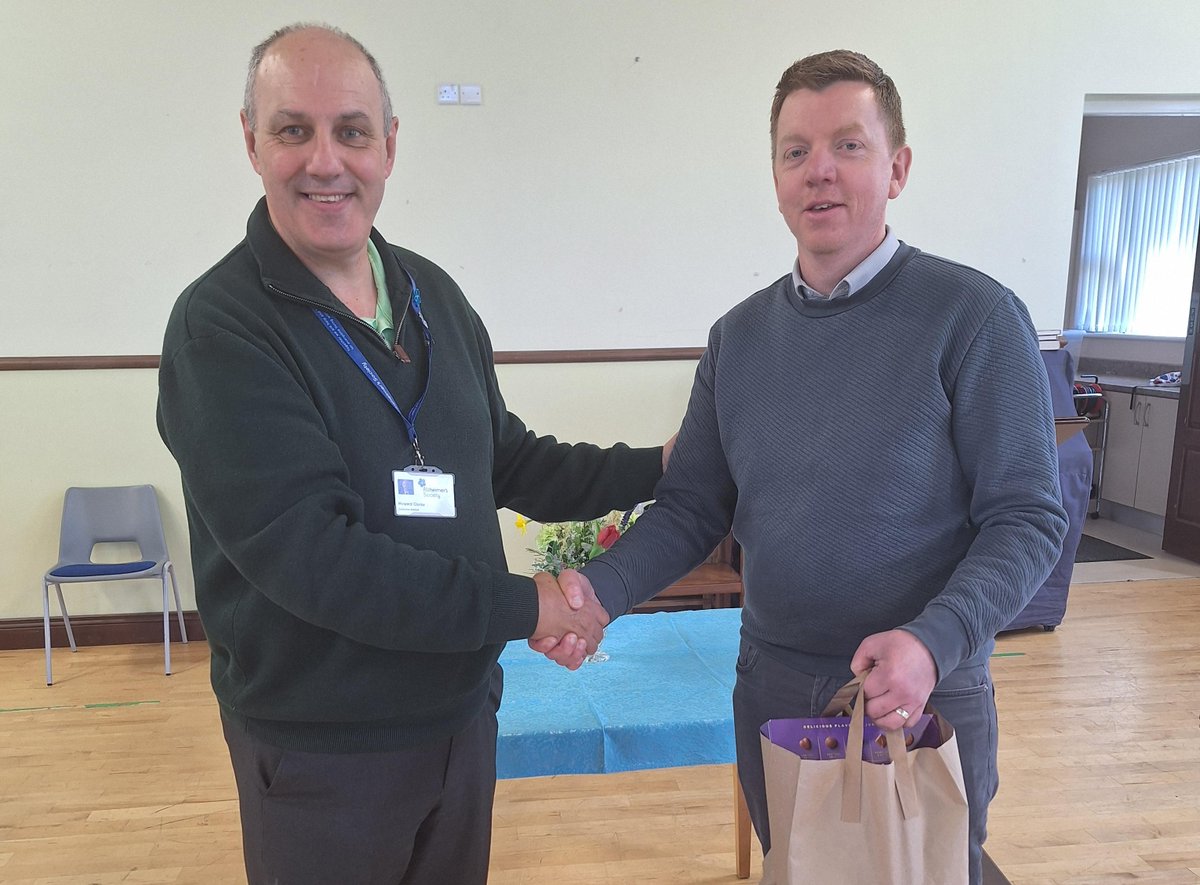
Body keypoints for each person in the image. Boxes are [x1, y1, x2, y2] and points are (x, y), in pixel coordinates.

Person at [537, 50, 1068, 885]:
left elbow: (1030, 517)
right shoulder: (737, 339)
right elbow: (690, 507)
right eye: (795, 151)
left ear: (896, 168)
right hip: (777, 688)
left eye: (848, 146)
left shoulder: (976, 319)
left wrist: (932, 643)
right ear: (776, 176)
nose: (819, 171)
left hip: (921, 693)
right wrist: (598, 593)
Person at [157, 23, 667, 885]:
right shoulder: (221, 330)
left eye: (352, 131)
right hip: (327, 755)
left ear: (389, 146)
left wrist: (664, 462)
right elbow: (319, 561)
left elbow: (508, 459)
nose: (326, 160)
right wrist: (528, 604)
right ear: (251, 142)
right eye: (294, 130)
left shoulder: (433, 295)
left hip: (460, 723)